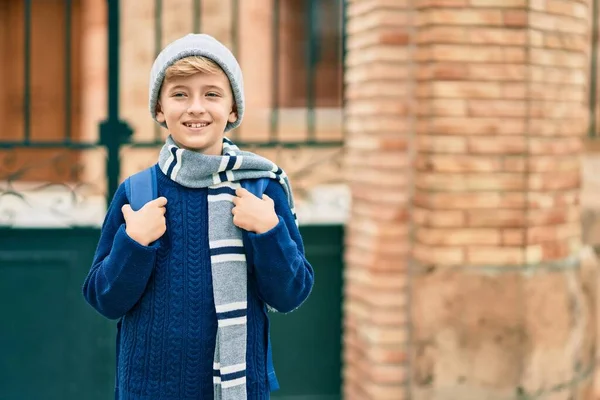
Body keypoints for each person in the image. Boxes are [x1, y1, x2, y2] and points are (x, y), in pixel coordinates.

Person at [82, 33, 314, 400]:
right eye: (179, 94)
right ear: (159, 109)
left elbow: (291, 293)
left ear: (233, 109)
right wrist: (134, 243)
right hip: (147, 390)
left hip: (238, 387)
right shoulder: (138, 192)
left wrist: (269, 232)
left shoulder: (260, 190)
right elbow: (104, 299)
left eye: (211, 94)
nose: (195, 108)